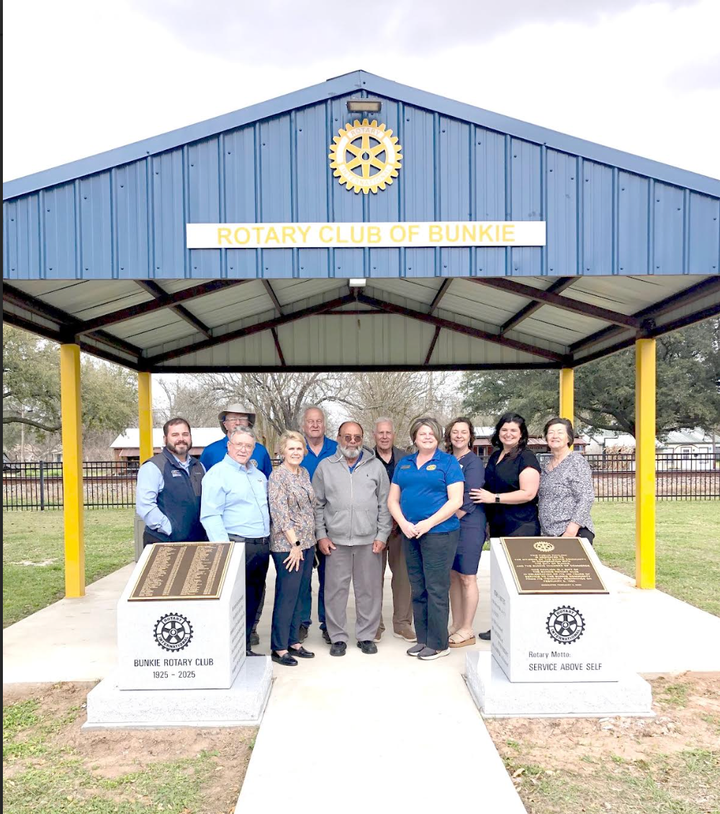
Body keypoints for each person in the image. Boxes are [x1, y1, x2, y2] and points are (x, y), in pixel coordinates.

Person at [388, 417, 464, 661]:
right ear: (414, 437)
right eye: (422, 433)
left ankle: (439, 644)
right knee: (418, 587)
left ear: (438, 437)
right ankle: (423, 640)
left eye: (431, 433)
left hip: (440, 534)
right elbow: (392, 500)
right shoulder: (405, 464)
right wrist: (404, 524)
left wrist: (428, 523)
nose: (427, 437)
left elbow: (456, 501)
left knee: (436, 588)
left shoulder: (448, 463)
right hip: (411, 534)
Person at [313, 421, 392, 657]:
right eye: (347, 437)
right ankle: (337, 637)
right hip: (335, 541)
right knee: (335, 591)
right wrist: (321, 535)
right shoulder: (325, 467)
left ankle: (366, 635)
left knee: (368, 590)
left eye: (357, 437)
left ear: (362, 438)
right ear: (338, 438)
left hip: (368, 540)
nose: (352, 442)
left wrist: (382, 535)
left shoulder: (375, 466)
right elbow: (317, 505)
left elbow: (385, 504)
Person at [200, 403, 272, 647]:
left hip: (260, 545)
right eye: (239, 445)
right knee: (234, 598)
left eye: (248, 446)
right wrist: (224, 550)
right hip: (235, 545)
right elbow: (210, 515)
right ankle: (231, 645)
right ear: (229, 445)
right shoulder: (217, 474)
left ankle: (247, 642)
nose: (243, 449)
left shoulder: (258, 475)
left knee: (255, 596)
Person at [469, 411, 541, 641]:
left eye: (513, 430)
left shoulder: (526, 458)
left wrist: (494, 498)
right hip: (499, 526)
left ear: (521, 435)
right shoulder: (496, 455)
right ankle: (502, 627)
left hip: (521, 526)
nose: (508, 433)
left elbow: (529, 493)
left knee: (520, 582)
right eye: (504, 429)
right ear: (498, 432)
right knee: (502, 582)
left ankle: (524, 631)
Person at [267, 431, 317, 666]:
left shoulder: (304, 473)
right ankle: (278, 647)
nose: (295, 453)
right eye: (291, 449)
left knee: (300, 594)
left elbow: (308, 508)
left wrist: (307, 544)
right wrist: (295, 544)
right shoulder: (278, 477)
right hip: (288, 546)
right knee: (287, 596)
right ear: (282, 451)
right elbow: (280, 514)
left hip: (308, 544)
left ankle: (293, 641)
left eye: (299, 449)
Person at [372, 417, 416, 643]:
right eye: (380, 432)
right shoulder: (365, 459)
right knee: (372, 578)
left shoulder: (407, 460)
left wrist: (402, 519)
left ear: (393, 434)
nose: (385, 436)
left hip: (401, 527)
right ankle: (374, 625)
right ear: (374, 435)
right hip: (373, 529)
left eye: (388, 432)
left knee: (403, 577)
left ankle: (402, 623)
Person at [298, 405, 338, 644]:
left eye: (319, 421)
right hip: (301, 524)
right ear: (304, 425)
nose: (314, 425)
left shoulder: (336, 449)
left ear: (325, 424)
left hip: (330, 523)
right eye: (310, 421)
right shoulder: (296, 447)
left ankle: (328, 623)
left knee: (329, 576)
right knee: (302, 578)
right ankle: (302, 622)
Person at [445, 417, 486, 649]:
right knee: (453, 575)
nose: (459, 435)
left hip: (469, 523)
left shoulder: (474, 462)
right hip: (451, 524)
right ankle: (457, 624)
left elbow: (469, 497)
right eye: (454, 432)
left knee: (467, 577)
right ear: (449, 436)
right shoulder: (448, 460)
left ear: (470, 435)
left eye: (463, 432)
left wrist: (445, 519)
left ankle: (468, 628)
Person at [135, 417, 207, 547]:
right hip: (164, 541)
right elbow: (145, 505)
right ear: (165, 439)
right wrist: (170, 529)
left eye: (185, 434)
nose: (181, 439)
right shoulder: (153, 467)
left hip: (197, 541)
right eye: (175, 435)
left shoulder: (199, 467)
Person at [538, 417, 595, 543]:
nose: (555, 436)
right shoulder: (545, 465)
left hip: (573, 533)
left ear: (569, 437)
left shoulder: (576, 462)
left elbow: (586, 497)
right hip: (548, 533)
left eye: (560, 432)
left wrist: (571, 531)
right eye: (551, 432)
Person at [200, 403, 272, 477]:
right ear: (225, 424)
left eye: (242, 419)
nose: (238, 422)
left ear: (248, 423)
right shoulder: (210, 451)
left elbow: (268, 481)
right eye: (233, 419)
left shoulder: (261, 451)